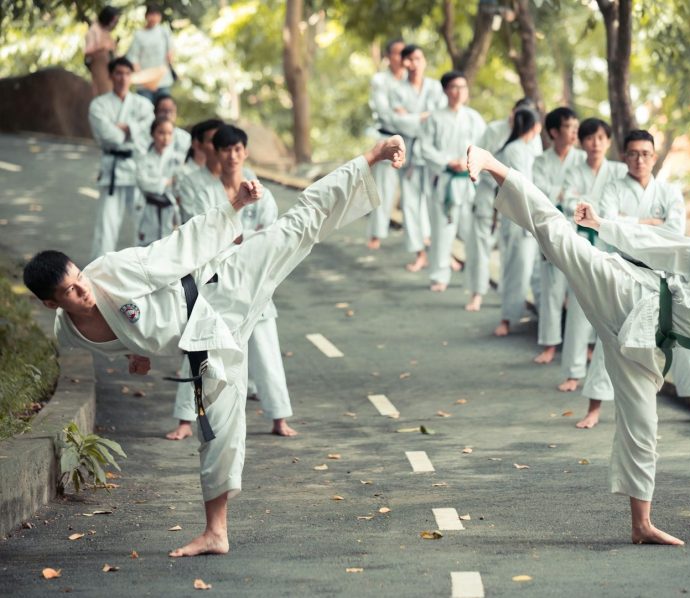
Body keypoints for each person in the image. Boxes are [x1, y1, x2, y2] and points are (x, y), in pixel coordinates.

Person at [23, 135, 406, 557]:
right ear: (51, 303)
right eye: (71, 292)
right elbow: (126, 326)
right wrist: (135, 351)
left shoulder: (107, 273)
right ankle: (216, 532)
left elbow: (173, 249)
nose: (83, 291)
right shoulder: (68, 332)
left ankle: (372, 155)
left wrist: (235, 207)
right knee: (217, 430)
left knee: (298, 226)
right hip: (207, 343)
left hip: (219, 288)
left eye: (80, 280)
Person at [467, 143, 690, 545]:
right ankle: (494, 165)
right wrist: (603, 226)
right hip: (629, 295)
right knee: (561, 239)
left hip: (646, 346)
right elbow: (665, 245)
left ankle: (641, 525)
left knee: (643, 426)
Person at [576, 130, 690, 428]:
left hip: (661, 273)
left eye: (645, 154)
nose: (639, 159)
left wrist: (629, 226)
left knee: (679, 335)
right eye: (633, 153)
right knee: (609, 336)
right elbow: (607, 226)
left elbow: (674, 232)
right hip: (623, 270)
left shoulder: (668, 191)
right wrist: (650, 225)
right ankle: (594, 408)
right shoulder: (612, 189)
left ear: (654, 157)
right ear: (624, 156)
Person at [165, 124, 297, 441]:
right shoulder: (200, 187)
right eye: (227, 149)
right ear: (216, 153)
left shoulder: (258, 190)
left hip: (253, 281)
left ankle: (279, 416)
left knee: (266, 351)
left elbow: (271, 236)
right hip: (215, 282)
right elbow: (201, 232)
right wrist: (234, 238)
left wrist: (238, 238)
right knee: (199, 348)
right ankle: (185, 420)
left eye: (238, 149)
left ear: (245, 152)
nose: (233, 155)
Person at [556, 118, 627, 392]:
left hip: (612, 248)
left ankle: (615, 374)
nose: (595, 144)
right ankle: (573, 372)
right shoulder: (573, 171)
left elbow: (617, 210)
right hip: (583, 244)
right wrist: (603, 213)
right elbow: (568, 202)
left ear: (608, 141)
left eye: (600, 138)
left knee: (614, 309)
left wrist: (599, 211)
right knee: (578, 306)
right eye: (589, 138)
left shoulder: (620, 171)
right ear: (582, 142)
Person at [464, 99, 542, 313]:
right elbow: (476, 158)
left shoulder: (532, 141)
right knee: (481, 244)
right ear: (513, 111)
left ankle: (505, 296)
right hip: (488, 190)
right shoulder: (494, 130)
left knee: (511, 248)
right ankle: (477, 292)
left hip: (514, 198)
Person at [421, 71, 486, 292]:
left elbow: (483, 146)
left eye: (463, 87)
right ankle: (439, 275)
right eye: (454, 87)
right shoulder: (434, 118)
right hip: (446, 180)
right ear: (446, 90)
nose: (459, 92)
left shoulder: (474, 118)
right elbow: (426, 148)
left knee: (472, 232)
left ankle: (474, 279)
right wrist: (448, 162)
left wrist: (468, 161)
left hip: (470, 182)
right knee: (442, 230)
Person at [531, 107, 586, 362]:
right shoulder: (541, 161)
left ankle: (587, 344)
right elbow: (539, 195)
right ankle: (550, 344)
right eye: (568, 127)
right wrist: (563, 193)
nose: (574, 132)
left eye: (576, 127)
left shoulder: (582, 159)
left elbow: (581, 195)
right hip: (551, 229)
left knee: (582, 290)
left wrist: (564, 195)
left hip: (579, 231)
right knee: (552, 288)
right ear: (554, 131)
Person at [88, 56, 155, 260]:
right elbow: (109, 136)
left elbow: (149, 132)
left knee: (143, 223)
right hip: (113, 170)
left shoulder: (143, 104)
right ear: (110, 75)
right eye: (118, 73)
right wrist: (131, 129)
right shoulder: (99, 105)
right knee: (106, 226)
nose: (123, 78)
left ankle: (146, 268)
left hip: (137, 169)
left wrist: (125, 128)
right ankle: (99, 273)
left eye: (127, 73)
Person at [389, 44, 447, 272]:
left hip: (433, 153)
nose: (414, 64)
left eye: (418, 58)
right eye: (410, 60)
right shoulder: (398, 90)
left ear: (424, 61)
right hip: (409, 152)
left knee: (436, 202)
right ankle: (419, 253)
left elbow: (439, 118)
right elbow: (398, 121)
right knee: (411, 204)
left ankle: (440, 253)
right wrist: (422, 118)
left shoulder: (435, 87)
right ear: (403, 63)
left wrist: (413, 118)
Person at [366, 37, 406, 250]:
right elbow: (383, 111)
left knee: (414, 190)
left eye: (404, 53)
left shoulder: (412, 79)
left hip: (412, 140)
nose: (401, 58)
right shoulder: (381, 80)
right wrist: (406, 116)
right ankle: (376, 234)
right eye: (396, 53)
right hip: (388, 137)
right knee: (382, 189)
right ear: (388, 56)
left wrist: (406, 117)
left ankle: (420, 238)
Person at [136, 116, 184, 246]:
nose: (166, 137)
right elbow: (143, 183)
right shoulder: (144, 159)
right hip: (149, 209)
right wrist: (165, 182)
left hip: (170, 210)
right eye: (161, 132)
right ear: (153, 134)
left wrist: (160, 182)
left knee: (169, 248)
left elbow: (180, 184)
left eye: (169, 133)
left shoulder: (178, 160)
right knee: (146, 249)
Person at [174, 119, 225, 223]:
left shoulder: (239, 175)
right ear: (197, 144)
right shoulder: (186, 176)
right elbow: (193, 218)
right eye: (213, 141)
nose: (218, 146)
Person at [127, 4, 174, 103]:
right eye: (151, 14)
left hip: (163, 80)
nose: (154, 18)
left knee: (164, 108)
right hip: (144, 83)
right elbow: (133, 58)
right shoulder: (139, 35)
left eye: (156, 15)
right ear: (146, 16)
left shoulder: (164, 32)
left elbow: (170, 52)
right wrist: (145, 78)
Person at [84, 5, 121, 96]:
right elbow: (87, 52)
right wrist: (103, 47)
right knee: (105, 93)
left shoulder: (106, 31)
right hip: (100, 67)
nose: (114, 24)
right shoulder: (94, 30)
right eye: (113, 21)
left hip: (110, 68)